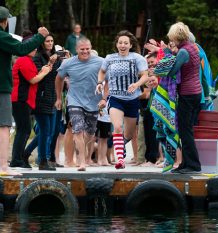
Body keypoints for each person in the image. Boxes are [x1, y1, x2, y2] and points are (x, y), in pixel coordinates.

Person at [0, 6, 49, 176]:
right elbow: (22, 49)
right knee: (3, 127)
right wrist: (40, 36)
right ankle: (3, 167)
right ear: (5, 20)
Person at [154, 22, 202, 174]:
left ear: (176, 36)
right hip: (196, 93)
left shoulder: (183, 52)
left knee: (184, 131)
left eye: (172, 38)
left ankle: (192, 166)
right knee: (185, 130)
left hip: (187, 94)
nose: (171, 40)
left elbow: (172, 70)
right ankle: (185, 164)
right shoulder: (193, 47)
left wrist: (167, 52)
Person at [96, 30, 148, 169]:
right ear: (117, 45)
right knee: (117, 127)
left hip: (132, 99)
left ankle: (120, 148)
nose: (123, 45)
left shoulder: (137, 58)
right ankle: (120, 160)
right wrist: (100, 83)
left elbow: (145, 75)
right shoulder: (109, 58)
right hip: (115, 97)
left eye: (126, 43)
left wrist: (137, 84)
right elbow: (102, 71)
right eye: (120, 42)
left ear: (130, 45)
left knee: (129, 134)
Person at [55, 37, 103, 171]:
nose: (85, 51)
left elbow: (108, 80)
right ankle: (82, 161)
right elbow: (58, 79)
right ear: (76, 50)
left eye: (88, 49)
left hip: (94, 102)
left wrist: (104, 98)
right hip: (74, 100)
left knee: (90, 133)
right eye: (82, 49)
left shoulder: (100, 62)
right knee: (77, 130)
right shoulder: (68, 63)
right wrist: (59, 98)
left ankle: (81, 148)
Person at [23, 34, 68, 170]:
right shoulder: (37, 57)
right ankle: (42, 160)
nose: (49, 43)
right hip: (41, 97)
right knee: (45, 131)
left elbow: (60, 76)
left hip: (54, 98)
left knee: (51, 131)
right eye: (47, 41)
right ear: (42, 44)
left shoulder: (57, 58)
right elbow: (39, 75)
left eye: (51, 41)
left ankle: (26, 154)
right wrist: (51, 63)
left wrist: (66, 60)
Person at [10, 30, 52, 169]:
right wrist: (45, 72)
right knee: (24, 130)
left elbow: (34, 77)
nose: (35, 49)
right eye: (32, 47)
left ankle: (18, 158)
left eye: (35, 47)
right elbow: (33, 80)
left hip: (24, 100)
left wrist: (42, 71)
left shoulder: (27, 60)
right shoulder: (23, 60)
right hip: (20, 100)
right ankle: (17, 159)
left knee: (24, 130)